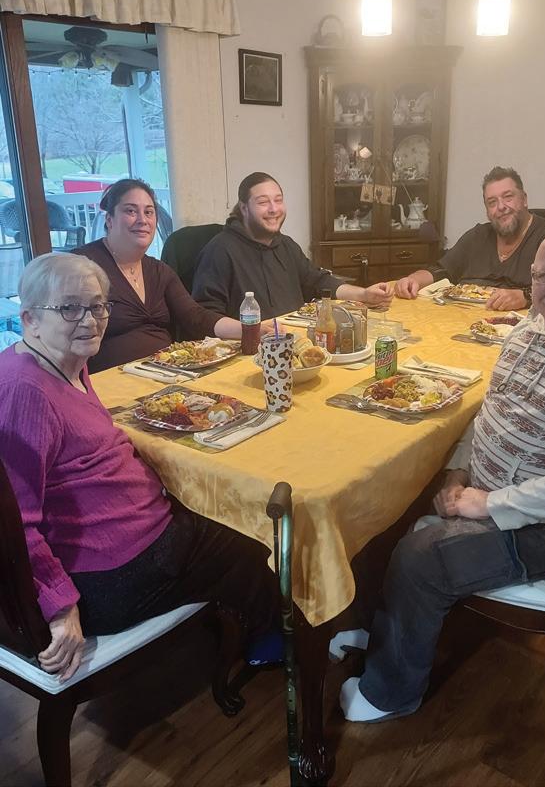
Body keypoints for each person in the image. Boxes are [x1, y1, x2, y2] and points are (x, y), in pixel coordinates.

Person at [340, 226, 545, 722]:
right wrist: (456, 472)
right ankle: (380, 629)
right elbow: (491, 410)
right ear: (532, 280)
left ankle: (389, 693)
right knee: (384, 499)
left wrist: (489, 503)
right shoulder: (530, 327)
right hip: (487, 491)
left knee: (421, 557)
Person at [0, 252, 278, 681]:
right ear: (30, 319)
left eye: (98, 306)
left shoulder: (65, 362)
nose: (90, 320)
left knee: (218, 504)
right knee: (254, 538)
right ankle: (272, 642)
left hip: (131, 538)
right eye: (70, 308)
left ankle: (246, 619)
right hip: (115, 573)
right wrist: (60, 605)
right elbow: (15, 522)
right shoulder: (24, 391)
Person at [74, 178, 269, 372]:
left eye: (149, 212)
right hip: (112, 380)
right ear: (109, 219)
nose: (142, 220)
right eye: (131, 211)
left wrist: (252, 330)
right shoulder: (80, 266)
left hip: (168, 372)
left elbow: (196, 317)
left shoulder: (159, 270)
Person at [192, 172, 394, 319]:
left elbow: (318, 282)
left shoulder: (286, 245)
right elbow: (205, 315)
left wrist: (364, 294)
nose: (273, 209)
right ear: (244, 208)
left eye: (278, 200)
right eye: (263, 202)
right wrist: (251, 332)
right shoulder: (220, 251)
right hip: (249, 352)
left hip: (296, 343)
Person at [394, 166, 545, 310]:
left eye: (508, 197)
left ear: (524, 199)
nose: (501, 207)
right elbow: (441, 270)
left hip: (520, 329)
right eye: (492, 202)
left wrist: (526, 296)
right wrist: (413, 279)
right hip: (466, 322)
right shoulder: (477, 236)